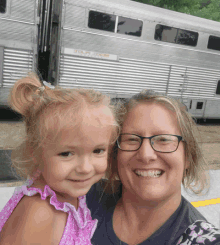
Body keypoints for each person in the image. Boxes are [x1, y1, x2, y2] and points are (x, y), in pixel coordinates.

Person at [86, 90, 220, 245]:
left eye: (163, 139)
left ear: (188, 156)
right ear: (116, 154)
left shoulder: (201, 239)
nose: (145, 154)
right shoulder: (81, 198)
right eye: (131, 139)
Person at [0, 72, 120, 245]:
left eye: (98, 150)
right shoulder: (40, 213)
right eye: (66, 154)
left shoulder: (67, 193)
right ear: (35, 152)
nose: (85, 168)